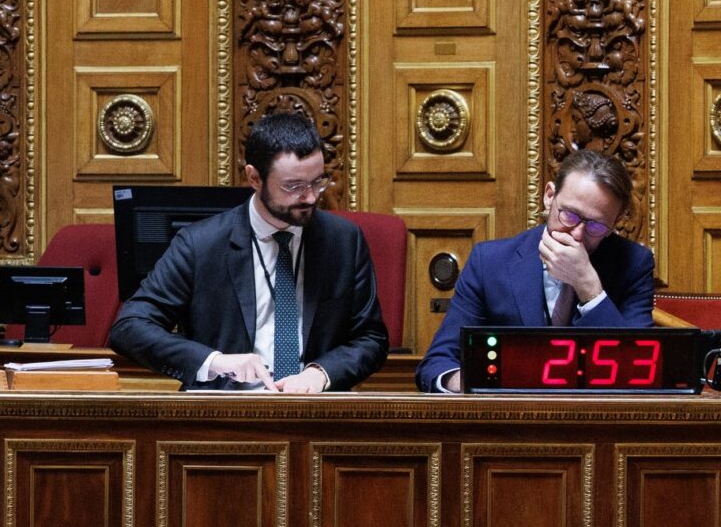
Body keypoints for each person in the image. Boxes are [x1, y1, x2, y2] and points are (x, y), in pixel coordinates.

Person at [107, 112, 387, 392]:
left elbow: (371, 337)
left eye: (317, 182)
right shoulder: (200, 244)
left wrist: (321, 373)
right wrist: (214, 361)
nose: (311, 197)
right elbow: (130, 327)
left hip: (315, 411)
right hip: (223, 417)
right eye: (293, 187)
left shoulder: (344, 241)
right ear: (254, 178)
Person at [419, 148, 658, 391]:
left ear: (614, 224)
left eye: (596, 226)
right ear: (549, 196)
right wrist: (476, 382)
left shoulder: (634, 263)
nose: (577, 234)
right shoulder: (489, 262)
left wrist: (589, 287)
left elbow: (638, 371)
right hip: (509, 419)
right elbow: (437, 364)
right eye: (570, 215)